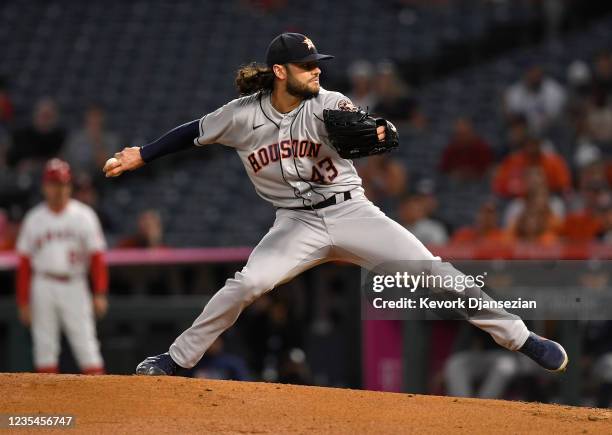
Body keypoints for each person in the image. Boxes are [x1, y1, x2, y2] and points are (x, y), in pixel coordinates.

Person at [103, 33, 568, 376]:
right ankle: (174, 359)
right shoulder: (241, 115)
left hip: (351, 212)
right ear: (280, 73)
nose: (317, 70)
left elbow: (367, 128)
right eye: (307, 66)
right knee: (245, 284)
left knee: (433, 270)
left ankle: (522, 337)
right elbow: (191, 131)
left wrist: (379, 131)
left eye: (317, 63)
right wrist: (140, 155)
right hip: (294, 225)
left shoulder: (329, 102)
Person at [16, 158, 108, 374]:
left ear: (69, 186)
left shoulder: (84, 216)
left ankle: (102, 404)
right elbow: (24, 264)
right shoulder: (34, 219)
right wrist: (23, 301)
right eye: (53, 184)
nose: (58, 189)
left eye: (63, 184)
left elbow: (96, 258)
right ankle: (46, 406)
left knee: (87, 347)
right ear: (44, 187)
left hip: (75, 284)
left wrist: (100, 292)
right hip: (43, 284)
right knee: (44, 349)